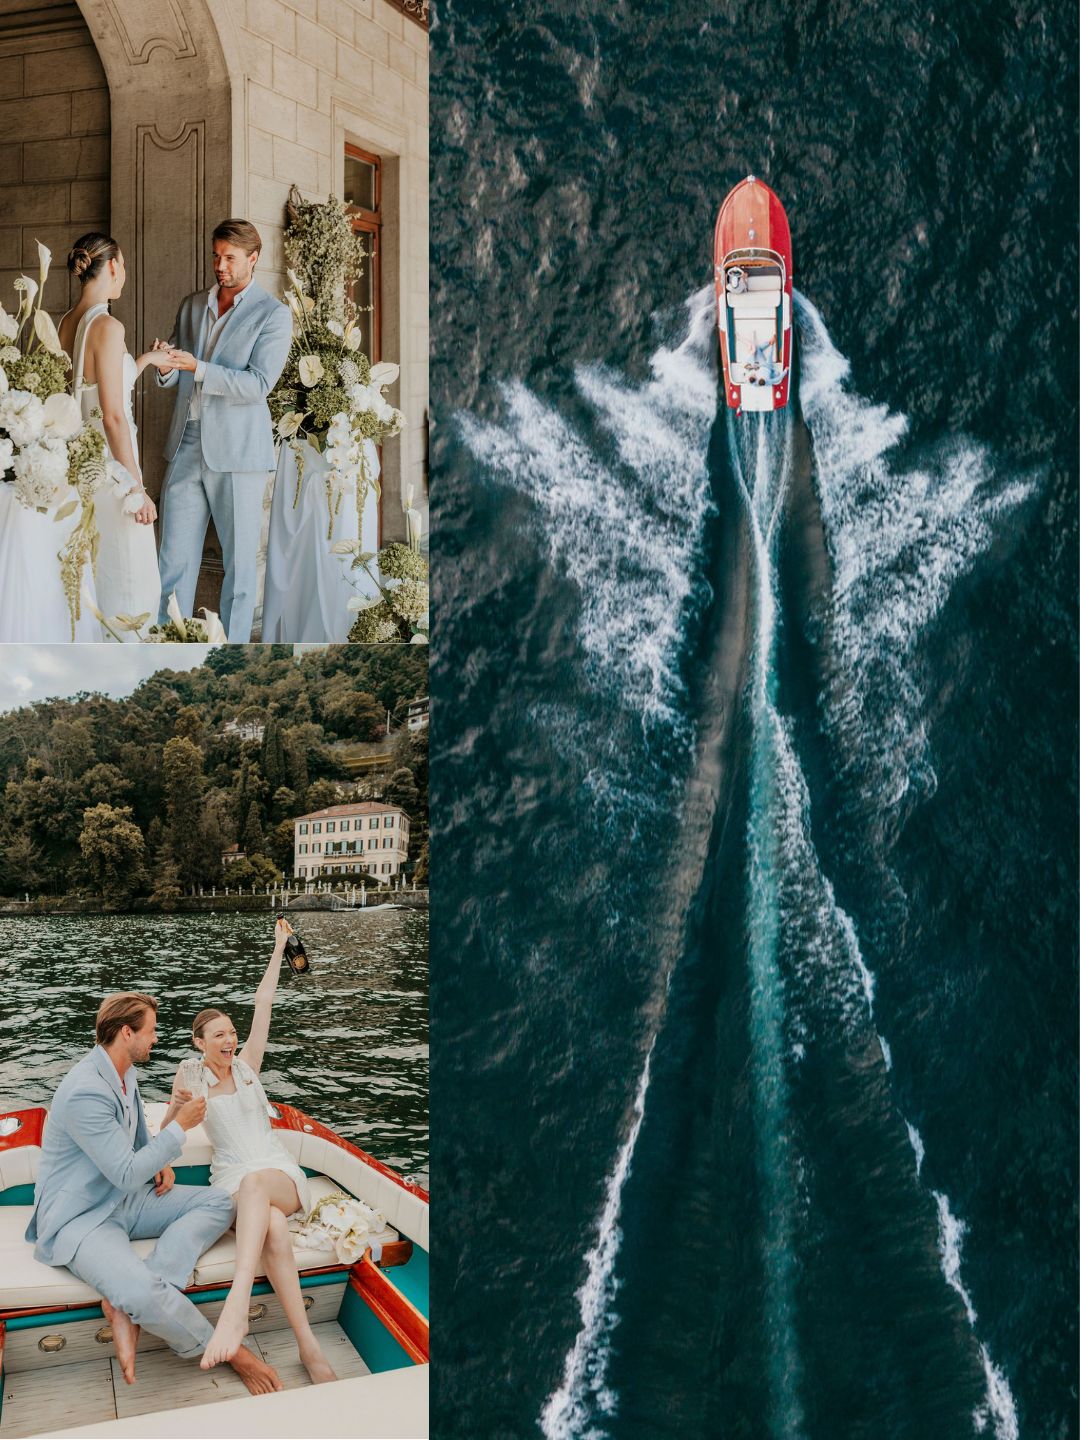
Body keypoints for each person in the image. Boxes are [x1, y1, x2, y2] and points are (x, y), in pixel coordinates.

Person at [26, 992, 282, 1395]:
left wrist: (159, 1157)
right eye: (151, 1031)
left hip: (123, 1200)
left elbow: (137, 1135)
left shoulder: (123, 1070)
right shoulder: (84, 1092)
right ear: (126, 1033)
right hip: (82, 1218)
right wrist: (179, 1127)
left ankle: (129, 1303)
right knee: (139, 1290)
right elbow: (127, 1173)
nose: (156, 1039)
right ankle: (233, 1352)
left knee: (220, 1202)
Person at [162, 918, 337, 1385]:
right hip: (230, 1182)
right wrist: (175, 1109)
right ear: (198, 1044)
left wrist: (280, 946)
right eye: (217, 1035)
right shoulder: (190, 1078)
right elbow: (166, 1132)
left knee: (257, 1184)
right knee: (273, 1228)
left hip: (275, 1172)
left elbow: (264, 1001)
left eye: (231, 1032)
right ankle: (309, 1346)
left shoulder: (248, 1069)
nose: (229, 1039)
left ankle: (237, 1306)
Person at [152, 219, 292, 642]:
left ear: (253, 259)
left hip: (238, 452)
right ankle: (165, 644)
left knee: (241, 568)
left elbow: (258, 385)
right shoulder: (192, 304)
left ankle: (228, 652)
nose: (220, 265)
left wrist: (199, 368)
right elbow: (179, 370)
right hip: (185, 444)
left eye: (229, 257)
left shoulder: (273, 314)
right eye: (216, 255)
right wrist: (165, 368)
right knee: (171, 561)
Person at [57, 234, 171, 633]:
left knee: (96, 575)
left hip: (82, 471)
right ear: (113, 267)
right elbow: (112, 417)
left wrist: (143, 361)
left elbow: (90, 390)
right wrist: (137, 489)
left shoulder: (66, 322)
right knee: (131, 582)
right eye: (123, 266)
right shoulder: (108, 325)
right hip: (113, 473)